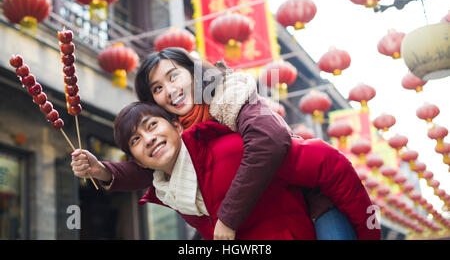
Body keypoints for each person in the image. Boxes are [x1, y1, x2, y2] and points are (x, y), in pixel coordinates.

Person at [86, 47, 354, 239]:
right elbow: (151, 165)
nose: (169, 90)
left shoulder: (232, 94)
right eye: (157, 88)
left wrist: (227, 218)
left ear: (193, 73)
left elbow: (269, 141)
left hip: (311, 203)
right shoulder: (177, 131)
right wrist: (104, 171)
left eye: (173, 76)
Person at [71, 102, 380, 239]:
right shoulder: (170, 190)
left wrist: (368, 235)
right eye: (136, 140)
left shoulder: (232, 149)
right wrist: (101, 170)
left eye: (152, 125)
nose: (148, 139)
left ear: (177, 126)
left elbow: (327, 162)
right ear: (136, 159)